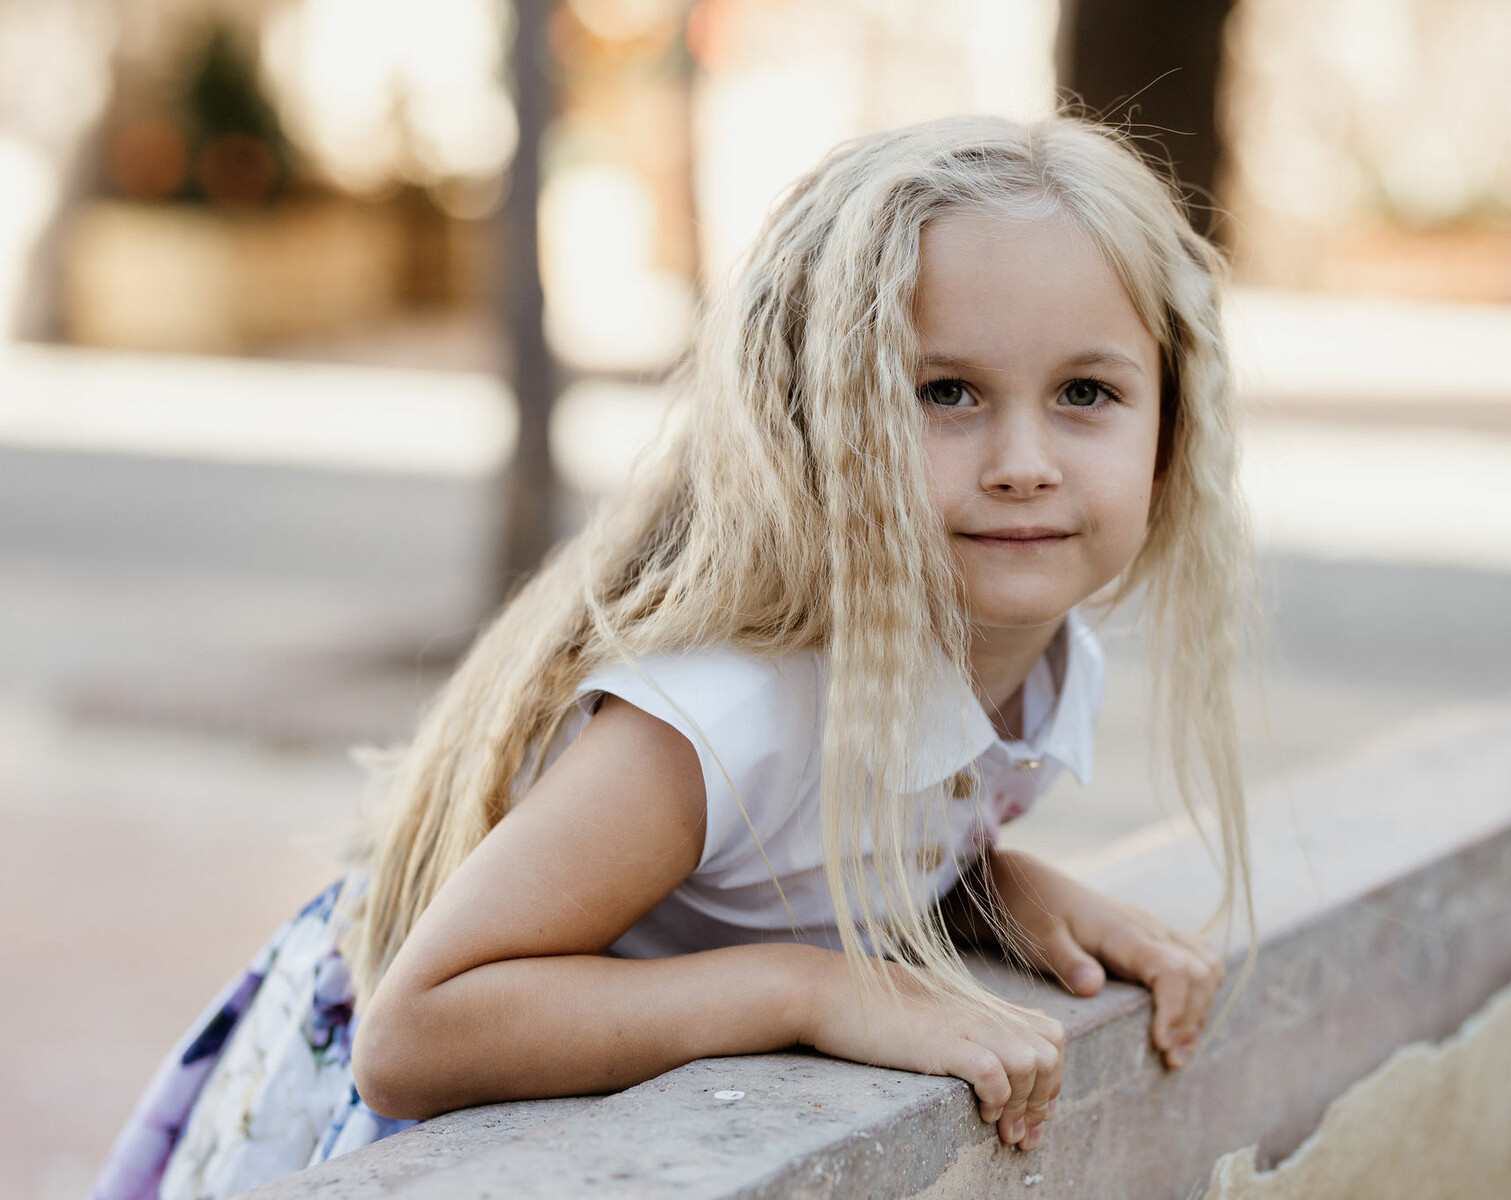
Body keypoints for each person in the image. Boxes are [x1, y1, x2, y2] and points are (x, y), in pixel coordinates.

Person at [92, 110, 1257, 1200]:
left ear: (1172, 430)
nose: (1023, 461)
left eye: (1086, 393)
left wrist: (985, 890)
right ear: (819, 421)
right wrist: (807, 988)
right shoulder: (732, 712)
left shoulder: (1051, 672)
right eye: (945, 392)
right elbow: (417, 1033)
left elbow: (817, 851)